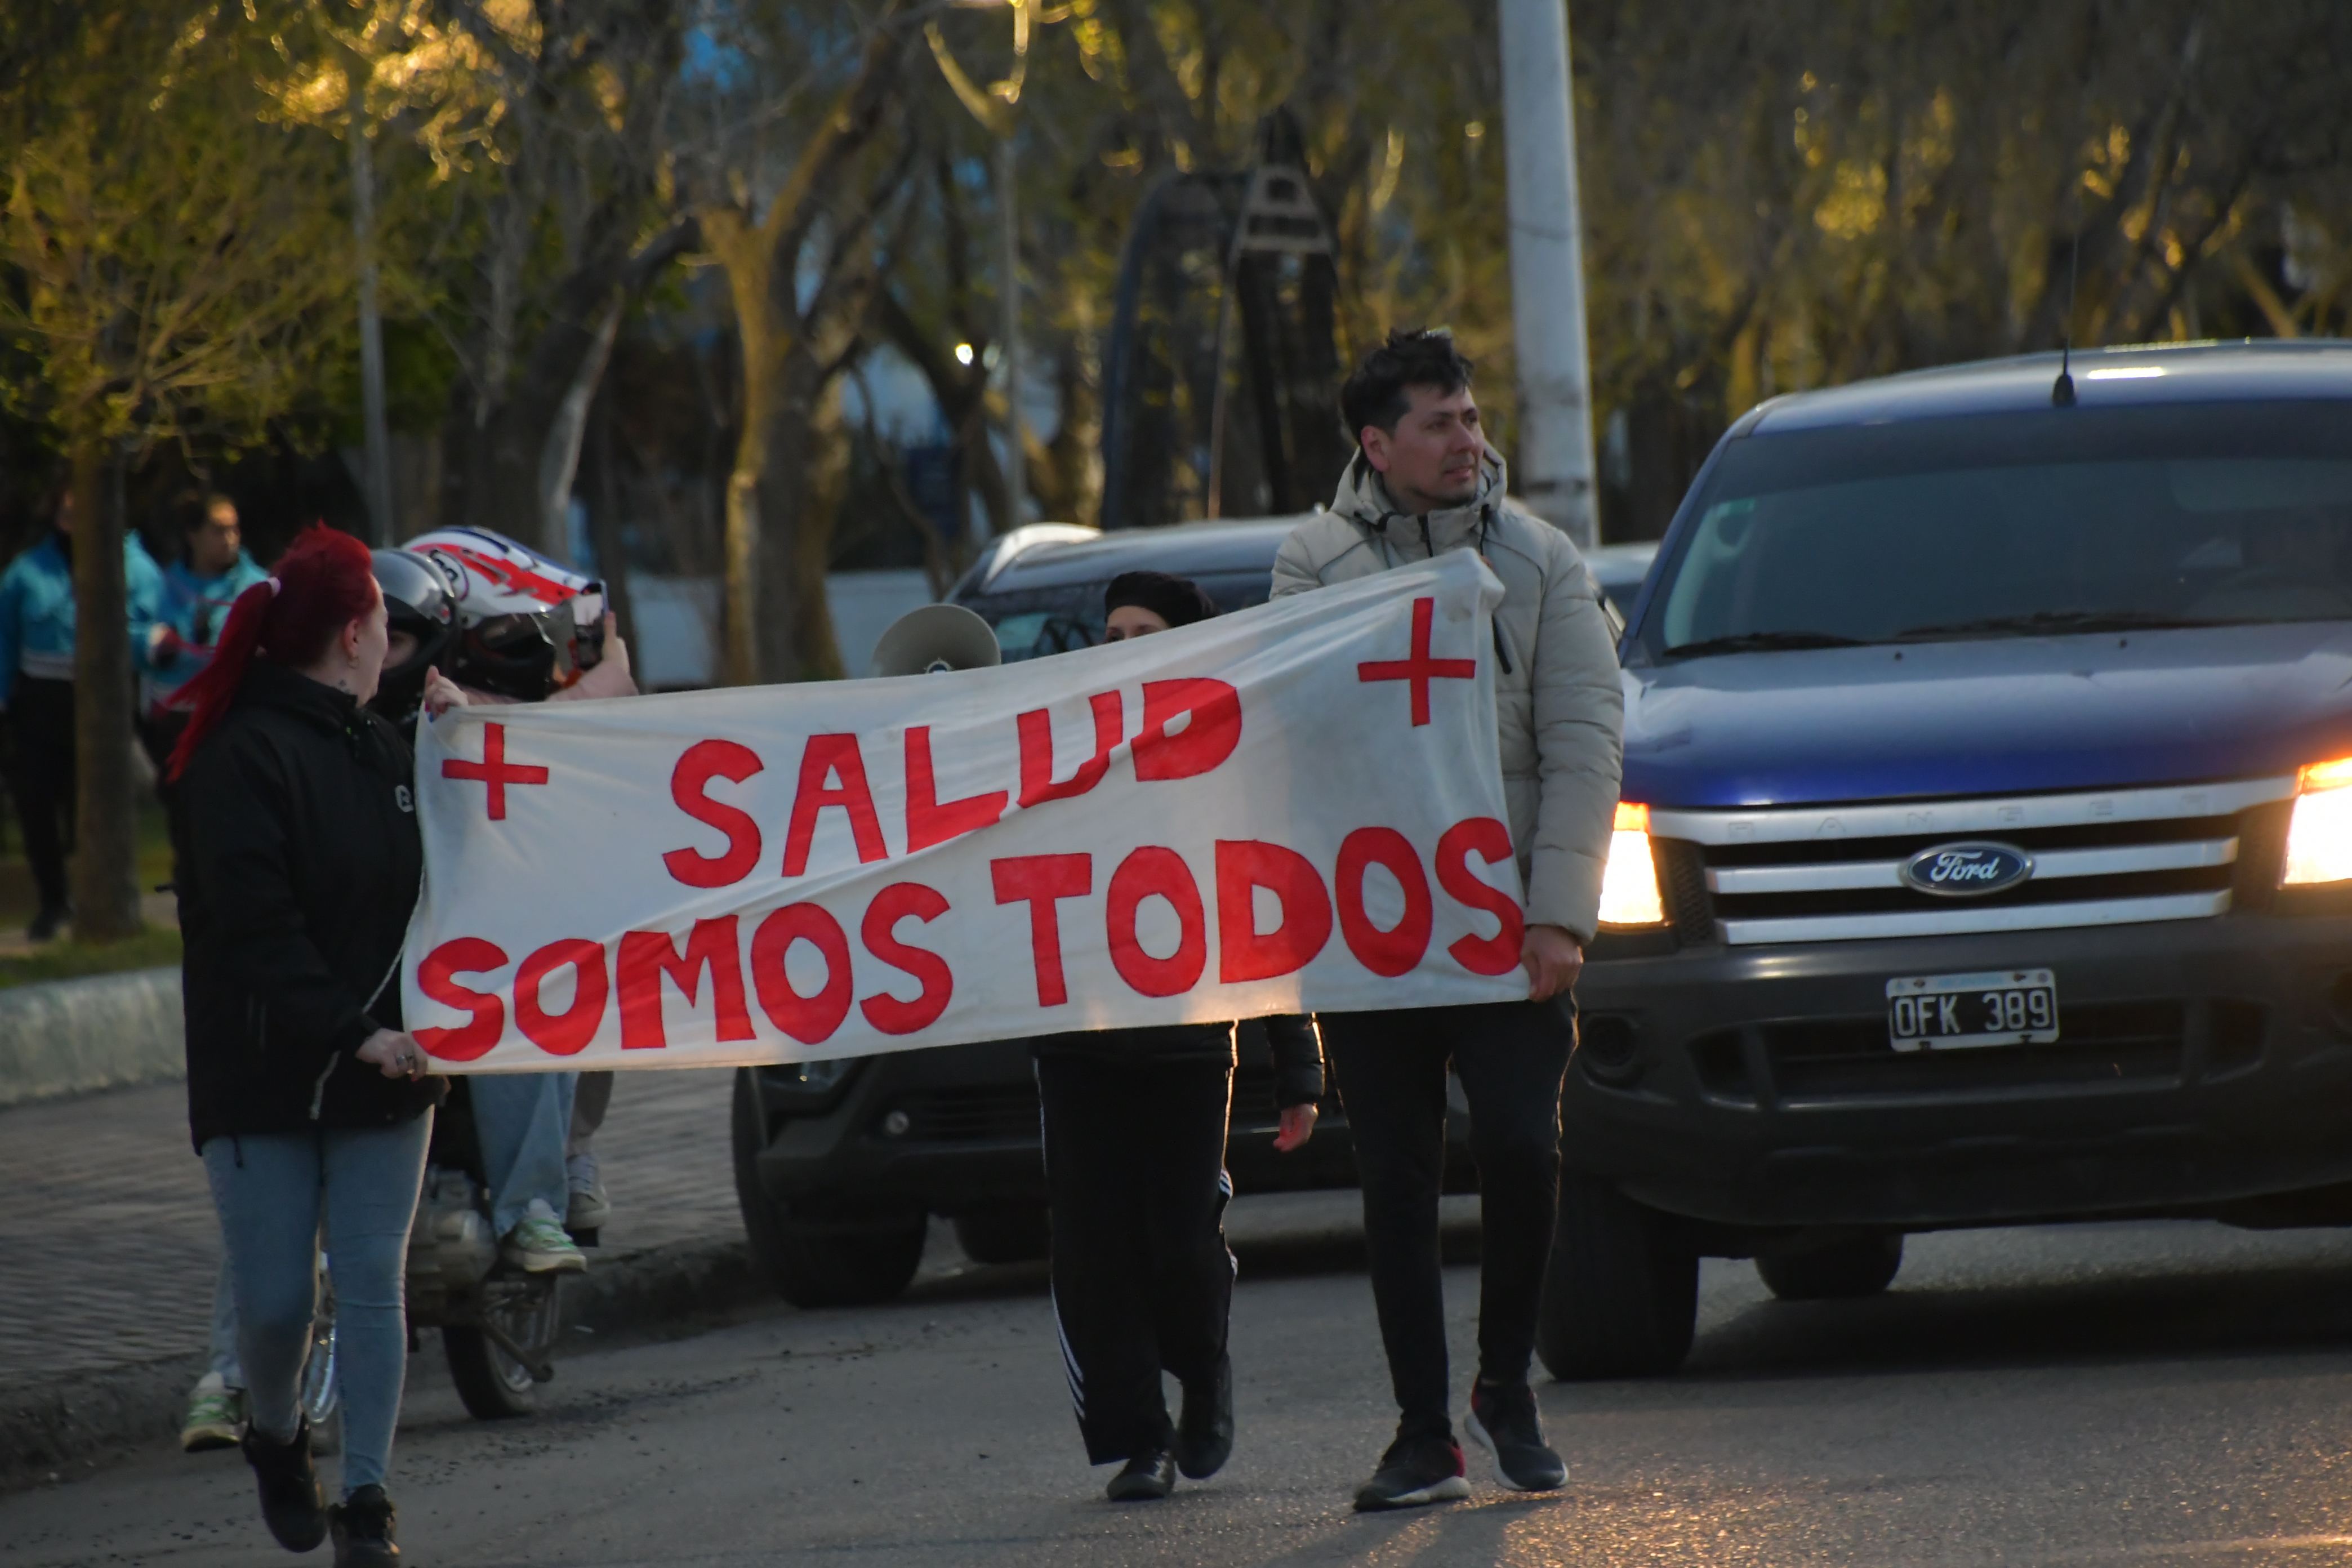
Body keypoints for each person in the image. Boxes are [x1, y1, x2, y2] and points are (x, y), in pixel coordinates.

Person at [1269, 329, 1624, 1511]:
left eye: (1471, 417)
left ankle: (1503, 1386)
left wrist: (1558, 914)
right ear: (1377, 444)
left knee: (1523, 1146)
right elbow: (1293, 738)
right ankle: (1425, 1432)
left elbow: (1583, 744)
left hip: (1511, 926)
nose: (1467, 439)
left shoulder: (1542, 563)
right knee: (1399, 1181)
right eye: (1438, 422)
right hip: (1378, 936)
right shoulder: (1313, 568)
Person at [172, 524, 466, 1567]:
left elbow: (466, 873)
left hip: (387, 1067)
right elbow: (257, 933)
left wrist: (466, 749)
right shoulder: (234, 759)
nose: (400, 639)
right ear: (356, 633)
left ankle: (369, 1502)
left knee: (376, 1278)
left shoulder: (386, 747)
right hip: (266, 1074)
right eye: (389, 620)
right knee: (279, 1300)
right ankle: (277, 1429)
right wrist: (355, 1031)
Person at [1034, 570, 1327, 1502]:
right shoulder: (1055, 756)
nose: (1122, 644)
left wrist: (1297, 1065)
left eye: (1144, 629)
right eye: (1111, 629)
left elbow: (1263, 910)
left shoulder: (1222, 770)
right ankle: (1137, 1436)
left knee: (1179, 1241)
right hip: (1076, 1045)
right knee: (1094, 1247)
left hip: (1190, 1044)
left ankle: (1202, 1371)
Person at [0, 485, 164, 939]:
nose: (76, 516)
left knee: (89, 805)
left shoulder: (134, 565)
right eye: (68, 508)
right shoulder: (26, 572)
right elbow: (5, 639)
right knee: (35, 802)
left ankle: (93, 897)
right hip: (40, 700)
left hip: (102, 699)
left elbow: (147, 625)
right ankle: (53, 901)